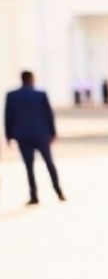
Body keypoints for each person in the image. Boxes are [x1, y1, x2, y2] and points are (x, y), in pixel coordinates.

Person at [4, 71, 65, 205]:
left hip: (22, 136)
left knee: (29, 167)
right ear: (32, 79)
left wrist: (8, 136)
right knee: (49, 163)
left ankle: (34, 196)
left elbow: (8, 116)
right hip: (41, 134)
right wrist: (53, 132)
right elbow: (49, 114)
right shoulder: (40, 94)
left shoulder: (12, 95)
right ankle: (59, 191)